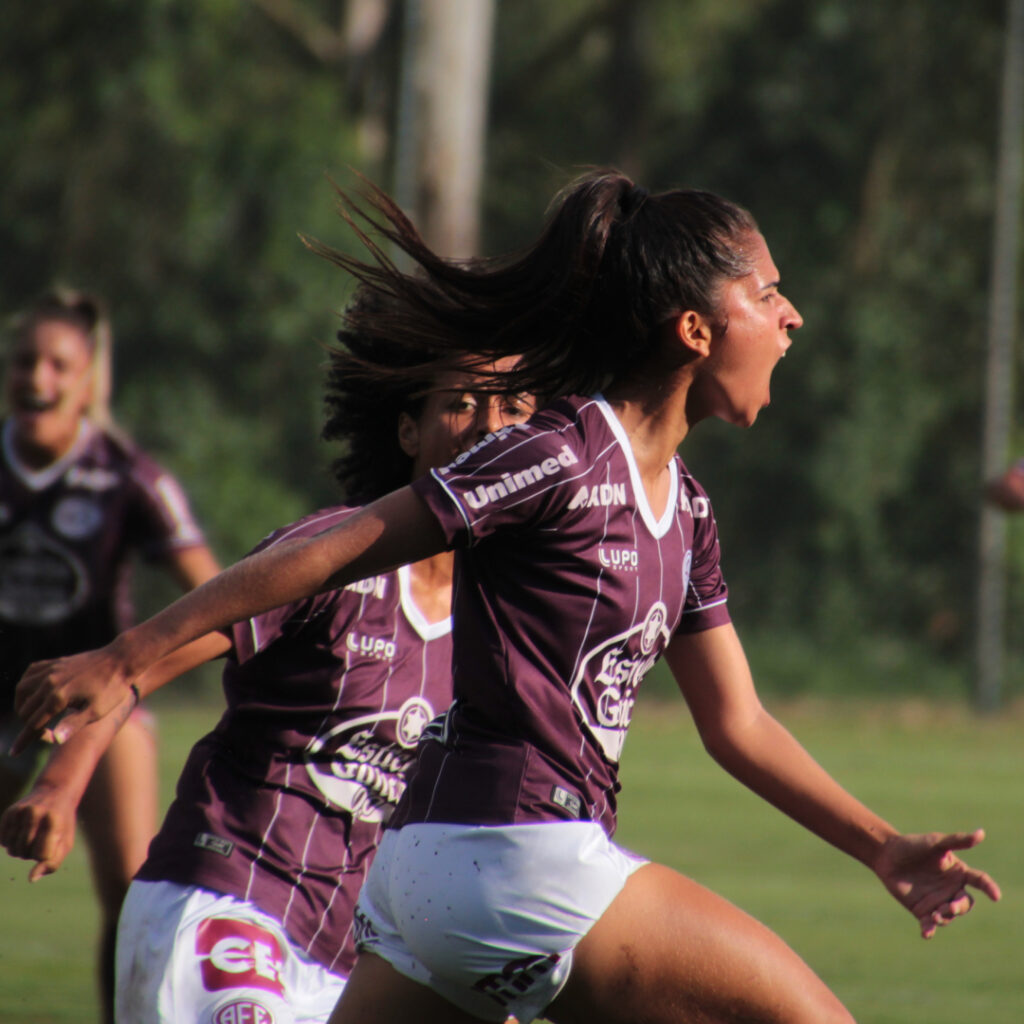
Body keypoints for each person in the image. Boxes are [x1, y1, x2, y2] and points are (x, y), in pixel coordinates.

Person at [14, 174, 1001, 1024]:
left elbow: (736, 722)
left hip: (423, 885)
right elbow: (336, 546)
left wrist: (881, 846)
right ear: (695, 329)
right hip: (519, 854)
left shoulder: (687, 508)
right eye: (769, 292)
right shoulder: (561, 452)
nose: (791, 316)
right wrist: (126, 660)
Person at [2, 302, 537, 1023]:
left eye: (512, 405)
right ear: (409, 429)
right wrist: (62, 786)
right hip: (222, 905)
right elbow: (133, 672)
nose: (488, 423)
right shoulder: (336, 555)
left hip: (350, 963)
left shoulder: (509, 626)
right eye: (461, 403)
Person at [0, 288, 220, 1022]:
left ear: (89, 377)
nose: (39, 379)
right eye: (25, 360)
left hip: (98, 703)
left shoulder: (129, 475)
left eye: (58, 364)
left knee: (131, 890)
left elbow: (214, 597)